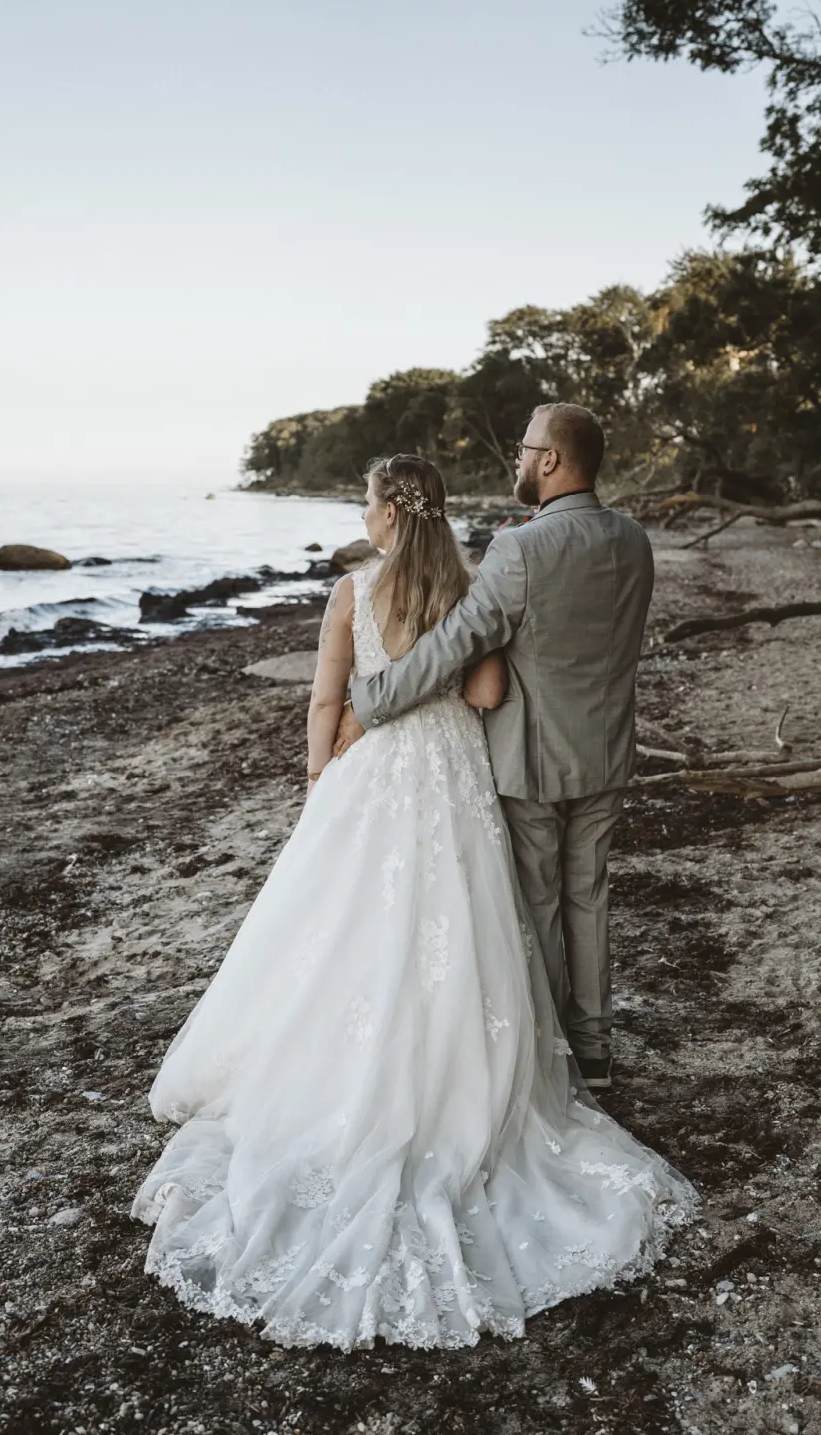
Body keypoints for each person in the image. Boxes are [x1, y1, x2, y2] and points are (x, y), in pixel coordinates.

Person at [131, 451, 696, 1352]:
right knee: (462, 933)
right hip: (451, 784)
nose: (362, 511)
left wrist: (322, 775)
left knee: (348, 930)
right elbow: (487, 690)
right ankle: (481, 1077)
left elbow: (328, 699)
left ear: (389, 515)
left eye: (364, 499)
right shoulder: (466, 584)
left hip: (374, 779)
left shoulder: (354, 591)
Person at [337, 405, 653, 1093]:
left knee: (539, 903)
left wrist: (372, 699)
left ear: (551, 461)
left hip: (532, 759)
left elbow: (458, 642)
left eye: (524, 449)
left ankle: (554, 1054)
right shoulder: (633, 539)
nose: (516, 460)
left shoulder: (522, 549)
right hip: (607, 752)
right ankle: (596, 1052)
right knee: (589, 897)